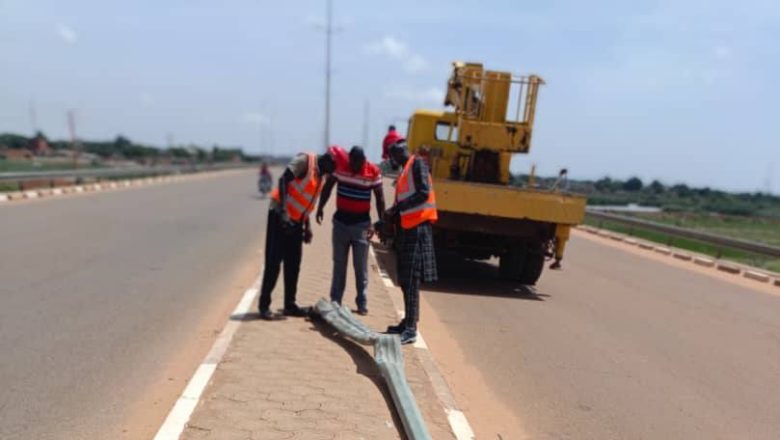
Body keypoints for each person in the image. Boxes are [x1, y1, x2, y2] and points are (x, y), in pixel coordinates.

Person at [258, 151, 336, 320]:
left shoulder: (321, 175)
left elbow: (306, 201)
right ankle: (264, 305)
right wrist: (285, 211)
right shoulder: (305, 161)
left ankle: (289, 304)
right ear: (327, 161)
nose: (332, 173)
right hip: (279, 214)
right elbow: (283, 180)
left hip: (297, 221)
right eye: (332, 168)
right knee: (274, 261)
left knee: (294, 263)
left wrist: (307, 226)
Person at [315, 146, 385, 315]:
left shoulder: (373, 171)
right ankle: (335, 301)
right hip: (340, 224)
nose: (354, 167)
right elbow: (328, 187)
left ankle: (362, 302)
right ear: (349, 159)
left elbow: (380, 198)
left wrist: (382, 222)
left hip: (361, 225)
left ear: (364, 160)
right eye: (352, 163)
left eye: (358, 163)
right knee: (339, 264)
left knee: (360, 266)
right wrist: (320, 207)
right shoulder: (340, 166)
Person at [384, 141, 438, 344]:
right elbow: (402, 202)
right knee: (405, 279)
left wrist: (397, 210)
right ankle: (407, 321)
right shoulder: (406, 170)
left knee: (412, 279)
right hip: (407, 228)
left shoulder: (418, 164)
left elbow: (423, 193)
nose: (392, 161)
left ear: (399, 153)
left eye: (393, 157)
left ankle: (411, 329)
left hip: (418, 229)